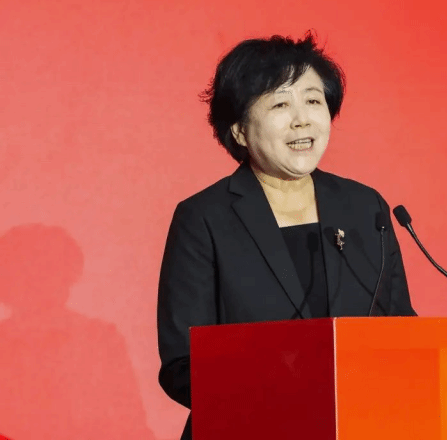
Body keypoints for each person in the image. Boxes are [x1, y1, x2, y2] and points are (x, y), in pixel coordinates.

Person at [157, 32, 416, 440]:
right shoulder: (204, 218)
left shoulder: (366, 208)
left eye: (313, 101)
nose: (302, 119)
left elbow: (401, 332)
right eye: (280, 104)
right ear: (239, 130)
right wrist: (283, 397)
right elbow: (182, 364)